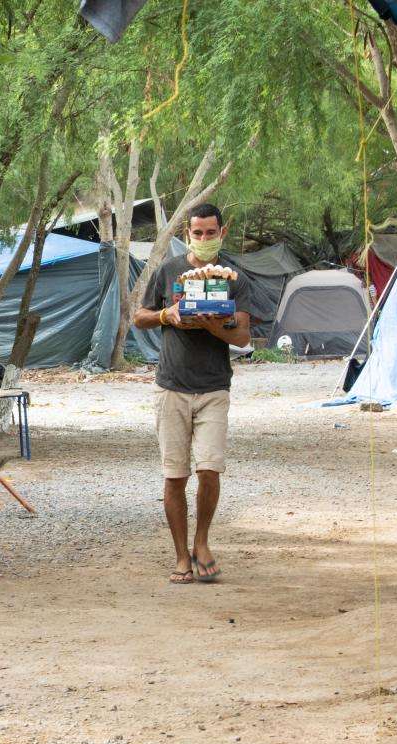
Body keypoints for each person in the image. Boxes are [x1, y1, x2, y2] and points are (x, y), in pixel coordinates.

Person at [132, 203, 254, 585]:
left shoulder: (236, 278)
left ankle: (202, 542)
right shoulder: (168, 272)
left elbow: (243, 335)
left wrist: (212, 325)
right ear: (187, 232)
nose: (204, 239)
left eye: (210, 232)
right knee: (174, 475)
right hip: (171, 387)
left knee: (209, 469)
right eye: (197, 233)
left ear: (223, 231)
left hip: (214, 386)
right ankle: (181, 556)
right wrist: (168, 315)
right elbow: (140, 316)